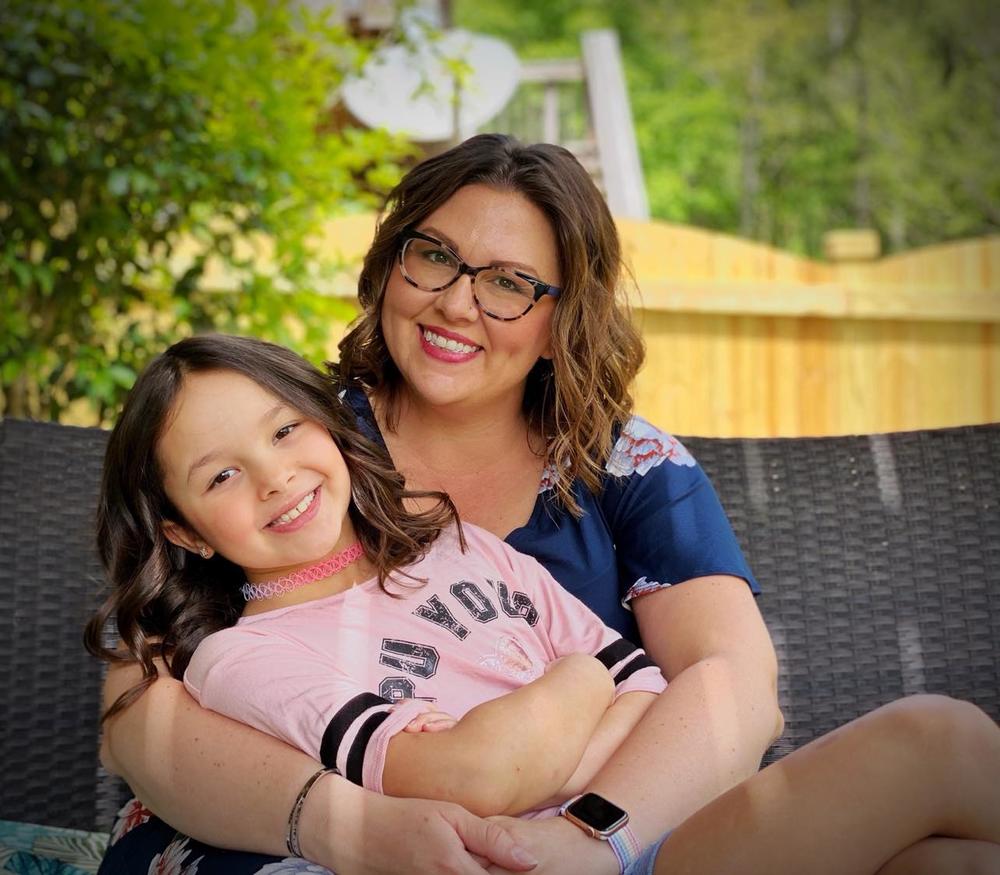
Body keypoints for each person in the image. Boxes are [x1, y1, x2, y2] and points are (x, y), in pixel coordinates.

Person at [90, 134, 1000, 874]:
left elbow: (731, 695)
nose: (456, 303)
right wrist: (351, 825)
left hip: (602, 838)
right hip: (288, 844)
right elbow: (140, 717)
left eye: (510, 282)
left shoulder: (626, 467)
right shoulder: (303, 441)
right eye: (434, 256)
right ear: (388, 264)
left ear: (566, 319)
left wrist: (586, 834)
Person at [88, 333, 671, 875]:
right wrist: (585, 677)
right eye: (221, 476)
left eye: (284, 431)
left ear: (329, 425)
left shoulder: (463, 545)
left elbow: (647, 688)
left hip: (604, 841)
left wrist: (552, 786)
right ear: (188, 534)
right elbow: (472, 777)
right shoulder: (242, 656)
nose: (274, 477)